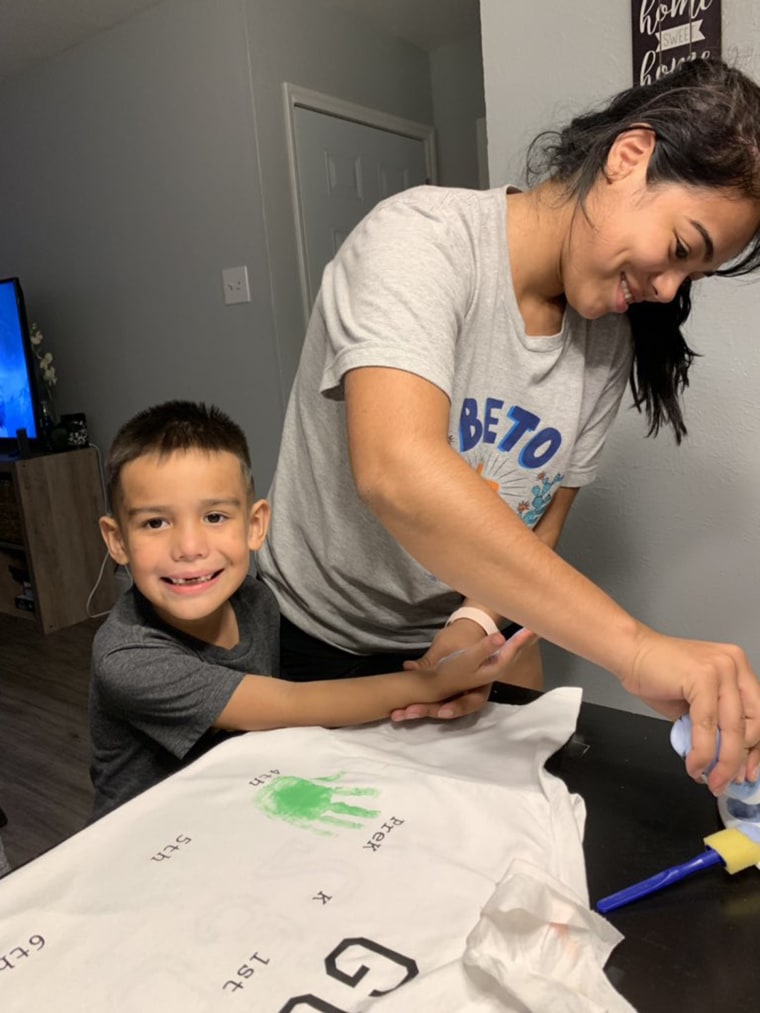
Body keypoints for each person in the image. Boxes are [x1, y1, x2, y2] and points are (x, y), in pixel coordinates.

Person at [258, 57, 760, 797]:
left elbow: (539, 521)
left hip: (460, 650)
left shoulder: (605, 343)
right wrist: (637, 649)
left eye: (693, 277)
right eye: (681, 250)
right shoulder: (419, 240)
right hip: (316, 643)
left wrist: (475, 621)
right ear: (630, 156)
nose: (667, 290)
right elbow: (398, 469)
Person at [89, 400, 532, 820]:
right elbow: (292, 703)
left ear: (256, 524)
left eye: (214, 517)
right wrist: (434, 682)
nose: (189, 548)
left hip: (229, 812)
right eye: (155, 523)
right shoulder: (128, 661)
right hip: (147, 842)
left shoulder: (255, 601)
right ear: (117, 541)